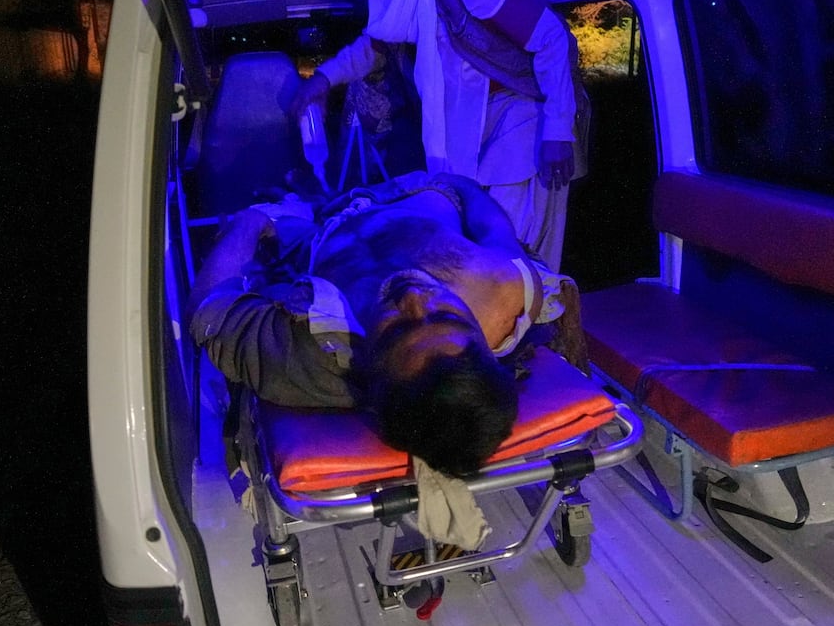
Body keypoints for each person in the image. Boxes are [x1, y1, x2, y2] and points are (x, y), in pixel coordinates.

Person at [189, 171, 585, 483]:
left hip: (319, 229)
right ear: (482, 337)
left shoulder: (313, 356)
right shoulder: (502, 293)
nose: (413, 298)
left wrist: (251, 222)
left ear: (371, 368)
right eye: (447, 316)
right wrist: (461, 184)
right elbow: (493, 225)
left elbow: (209, 311)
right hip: (423, 187)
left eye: (397, 328)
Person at [291, 0, 586, 271]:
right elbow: (377, 45)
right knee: (475, 244)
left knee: (511, 256)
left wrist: (557, 130)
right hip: (465, 123)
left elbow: (551, 37)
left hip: (520, 115)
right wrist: (323, 79)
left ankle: (536, 322)